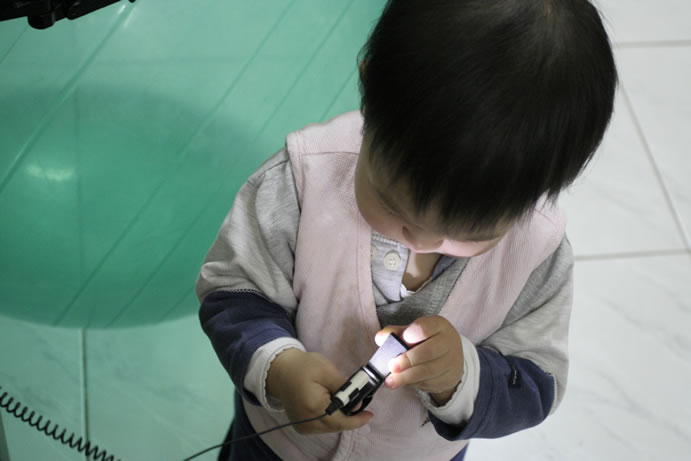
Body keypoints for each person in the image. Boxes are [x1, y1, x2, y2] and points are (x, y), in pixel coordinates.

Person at [195, 0, 618, 459]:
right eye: (392, 205)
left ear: (535, 193)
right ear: (370, 90)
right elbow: (233, 292)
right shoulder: (300, 184)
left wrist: (461, 377)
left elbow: (536, 385)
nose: (421, 241)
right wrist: (279, 367)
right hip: (275, 446)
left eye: (468, 233)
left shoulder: (536, 255)